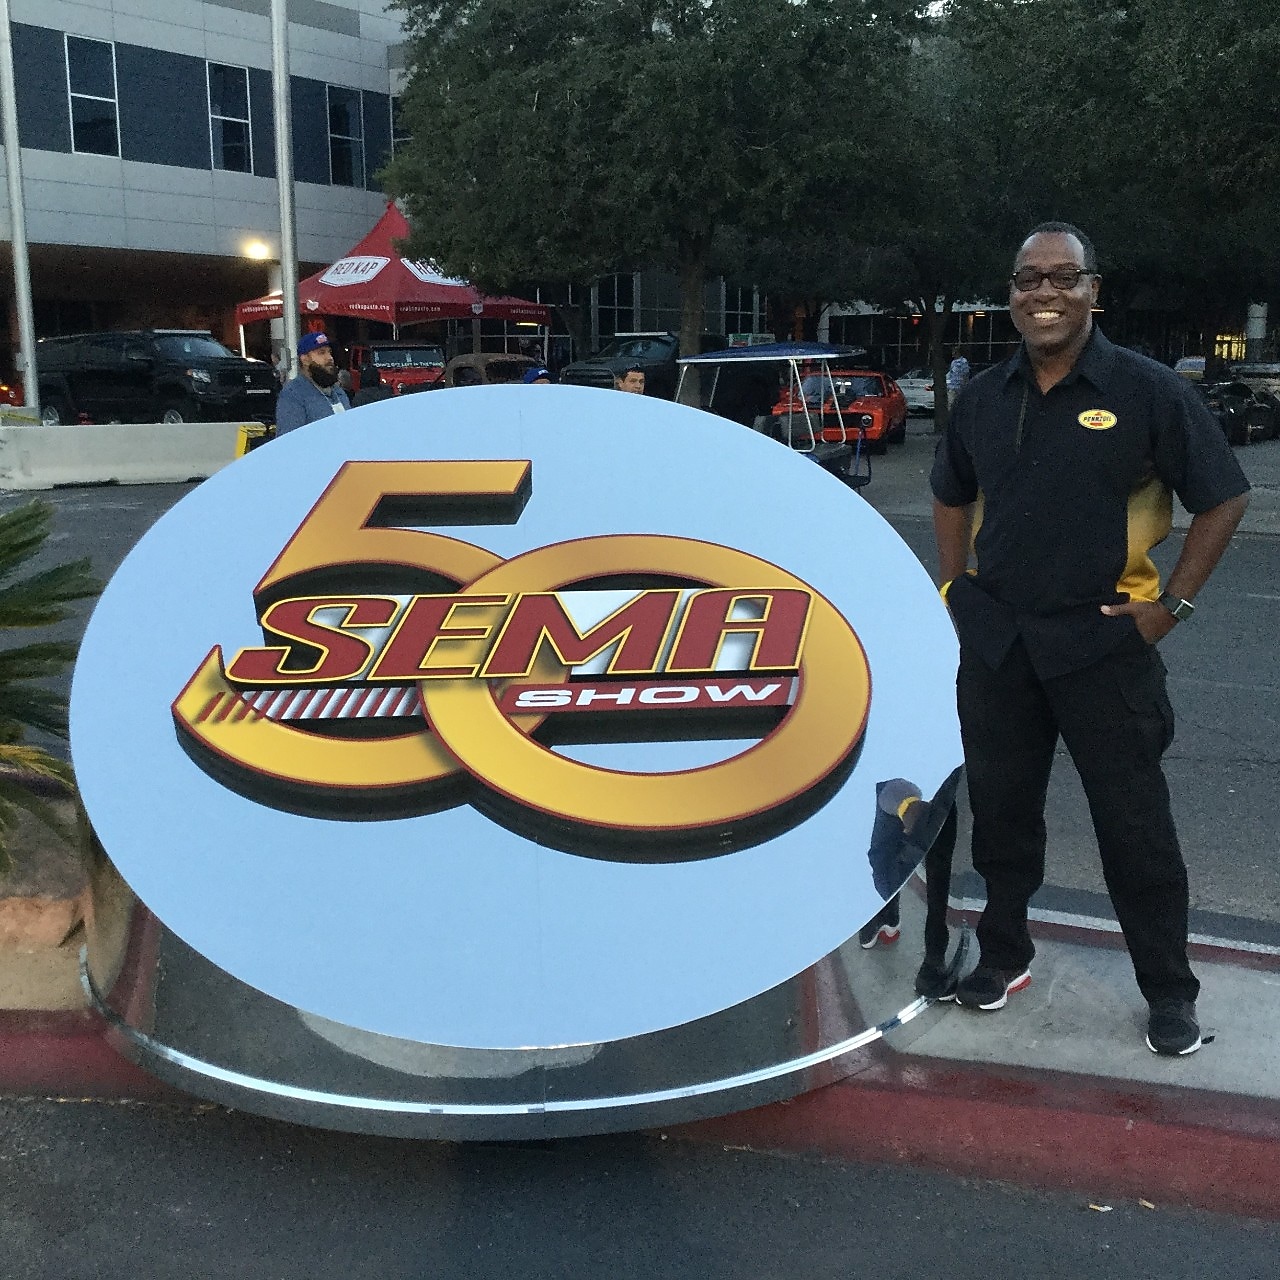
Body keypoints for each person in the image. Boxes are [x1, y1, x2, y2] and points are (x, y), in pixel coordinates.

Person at [930, 221, 1249, 1056]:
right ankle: (1004, 954)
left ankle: (1170, 992)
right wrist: (956, 586)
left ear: (1092, 291)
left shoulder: (1147, 391)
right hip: (1000, 645)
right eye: (1029, 279)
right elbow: (949, 492)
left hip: (1104, 646)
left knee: (1135, 829)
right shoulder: (984, 397)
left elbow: (1223, 497)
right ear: (1011, 295)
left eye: (1063, 278)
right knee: (1001, 816)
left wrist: (1170, 607)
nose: (1044, 292)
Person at [274, 332, 350, 434]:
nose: (329, 358)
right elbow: (289, 440)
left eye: (329, 352)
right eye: (322, 353)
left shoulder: (338, 392)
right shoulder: (293, 395)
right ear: (305, 359)